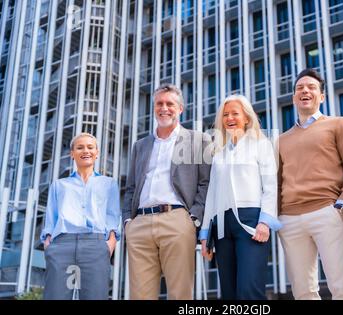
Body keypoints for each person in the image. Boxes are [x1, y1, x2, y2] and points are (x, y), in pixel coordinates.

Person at [277, 68, 343, 300]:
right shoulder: (281, 140)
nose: (305, 90)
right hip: (290, 219)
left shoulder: (338, 124)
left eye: (311, 87)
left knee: (342, 288)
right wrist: (277, 216)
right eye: (299, 88)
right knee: (303, 292)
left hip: (327, 211)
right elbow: (276, 181)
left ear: (321, 96)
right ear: (294, 97)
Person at [123, 84, 211, 300]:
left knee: (180, 294)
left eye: (170, 104)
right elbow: (131, 187)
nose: (164, 108)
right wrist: (127, 222)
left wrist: (193, 219)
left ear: (180, 108)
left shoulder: (198, 140)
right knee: (140, 296)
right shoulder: (140, 146)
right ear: (154, 108)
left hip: (177, 220)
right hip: (140, 224)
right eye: (159, 104)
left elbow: (206, 183)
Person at [199, 94, 282, 300]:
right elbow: (212, 194)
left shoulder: (261, 145)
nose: (229, 118)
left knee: (249, 290)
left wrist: (265, 221)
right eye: (225, 115)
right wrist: (204, 235)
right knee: (229, 293)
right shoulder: (219, 154)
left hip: (251, 222)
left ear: (247, 118)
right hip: (221, 227)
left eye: (235, 113)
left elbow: (270, 186)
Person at [41, 133, 121, 300]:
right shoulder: (59, 185)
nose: (86, 151)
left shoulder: (109, 184)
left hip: (96, 245)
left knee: (95, 297)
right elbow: (51, 218)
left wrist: (110, 243)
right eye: (80, 147)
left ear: (97, 152)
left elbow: (112, 216)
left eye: (90, 147)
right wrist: (48, 243)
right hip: (61, 244)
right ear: (72, 153)